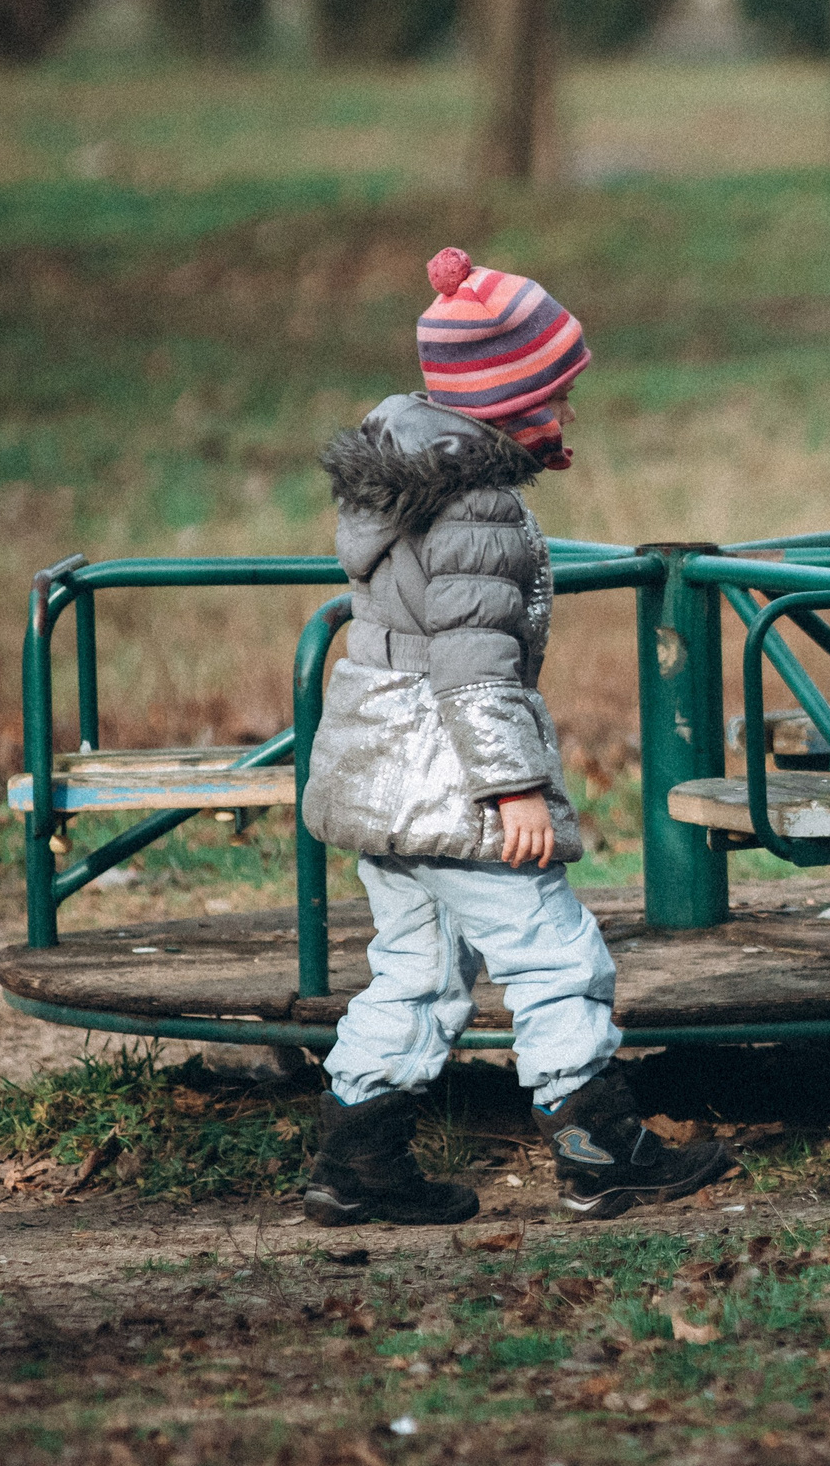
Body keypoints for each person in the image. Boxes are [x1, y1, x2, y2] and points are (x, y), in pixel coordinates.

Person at [297, 246, 738, 1226]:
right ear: (505, 398)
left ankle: (356, 1156)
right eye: (558, 393)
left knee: (415, 968)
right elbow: (472, 657)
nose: (568, 412)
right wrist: (511, 786)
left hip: (380, 763)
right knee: (554, 952)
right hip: (448, 768)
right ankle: (600, 1149)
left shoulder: (407, 470)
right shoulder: (476, 502)